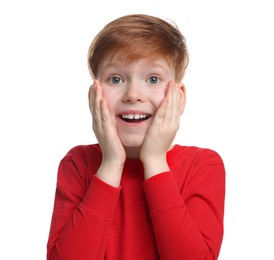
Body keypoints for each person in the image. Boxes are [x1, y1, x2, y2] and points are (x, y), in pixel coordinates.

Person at [47, 14, 225, 260]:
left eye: (153, 79)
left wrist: (154, 159)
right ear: (92, 97)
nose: (132, 94)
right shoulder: (78, 163)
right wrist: (110, 162)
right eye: (116, 79)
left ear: (179, 97)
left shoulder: (203, 165)